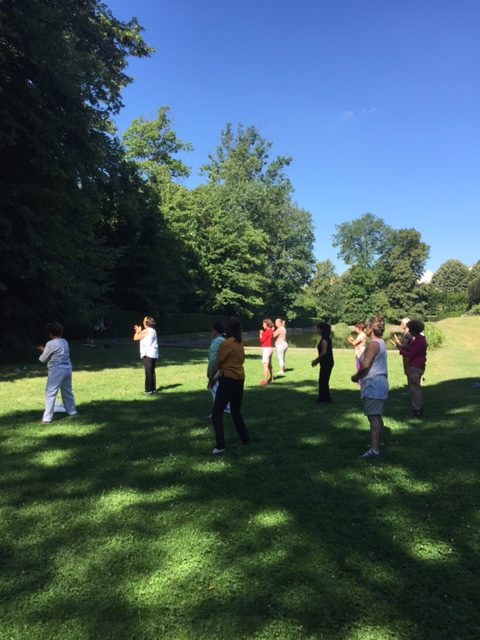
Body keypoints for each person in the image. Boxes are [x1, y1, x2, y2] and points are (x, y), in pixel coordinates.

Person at [208, 317, 249, 455]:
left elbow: (218, 364)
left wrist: (211, 379)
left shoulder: (227, 344)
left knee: (216, 414)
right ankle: (245, 438)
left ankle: (220, 446)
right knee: (236, 411)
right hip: (240, 379)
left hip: (228, 380)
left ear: (227, 328)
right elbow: (242, 360)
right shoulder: (240, 343)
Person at [351, 316, 389, 459]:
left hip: (374, 384)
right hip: (379, 383)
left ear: (371, 329)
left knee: (373, 417)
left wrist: (356, 376)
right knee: (376, 415)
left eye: (367, 327)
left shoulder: (374, 344)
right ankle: (379, 441)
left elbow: (365, 365)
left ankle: (374, 449)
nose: (365, 329)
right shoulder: (381, 342)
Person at [37, 322, 78, 424]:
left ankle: (47, 419)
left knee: (51, 393)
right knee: (67, 391)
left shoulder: (50, 344)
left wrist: (42, 350)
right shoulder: (65, 342)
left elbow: (43, 359)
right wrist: (46, 350)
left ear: (50, 333)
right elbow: (58, 353)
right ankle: (72, 411)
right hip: (67, 369)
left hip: (56, 370)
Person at [394, 319, 427, 417]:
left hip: (415, 366)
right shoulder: (419, 339)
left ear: (413, 330)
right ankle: (417, 407)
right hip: (418, 365)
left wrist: (400, 349)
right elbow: (412, 349)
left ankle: (417, 409)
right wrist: (402, 347)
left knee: (415, 388)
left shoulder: (419, 341)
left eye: (410, 329)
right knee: (414, 387)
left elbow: (412, 354)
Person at [207, 322, 230, 414]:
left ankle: (216, 412)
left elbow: (213, 359)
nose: (211, 332)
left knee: (215, 391)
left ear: (215, 331)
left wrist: (210, 373)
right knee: (223, 390)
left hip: (217, 369)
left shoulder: (216, 341)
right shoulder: (225, 340)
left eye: (212, 330)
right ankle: (227, 409)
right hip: (225, 369)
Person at [133, 316, 159, 394]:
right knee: (152, 371)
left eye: (144, 320)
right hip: (153, 354)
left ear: (146, 322)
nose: (143, 321)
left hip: (147, 354)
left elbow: (135, 338)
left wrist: (138, 331)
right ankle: (153, 388)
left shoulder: (146, 331)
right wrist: (140, 331)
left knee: (148, 372)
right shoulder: (153, 331)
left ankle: (148, 390)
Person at [311, 322, 334, 403]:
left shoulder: (324, 339)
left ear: (322, 330)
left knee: (323, 381)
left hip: (327, 362)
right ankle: (326, 399)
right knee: (324, 380)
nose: (317, 330)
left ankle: (323, 399)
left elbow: (323, 352)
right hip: (327, 362)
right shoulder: (326, 337)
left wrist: (316, 360)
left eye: (318, 328)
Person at [259, 318, 275, 385]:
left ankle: (265, 381)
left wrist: (260, 334)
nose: (263, 325)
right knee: (269, 365)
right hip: (270, 349)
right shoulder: (271, 331)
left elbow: (262, 340)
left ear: (267, 324)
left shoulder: (267, 331)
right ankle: (271, 378)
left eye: (263, 324)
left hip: (266, 349)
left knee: (265, 365)